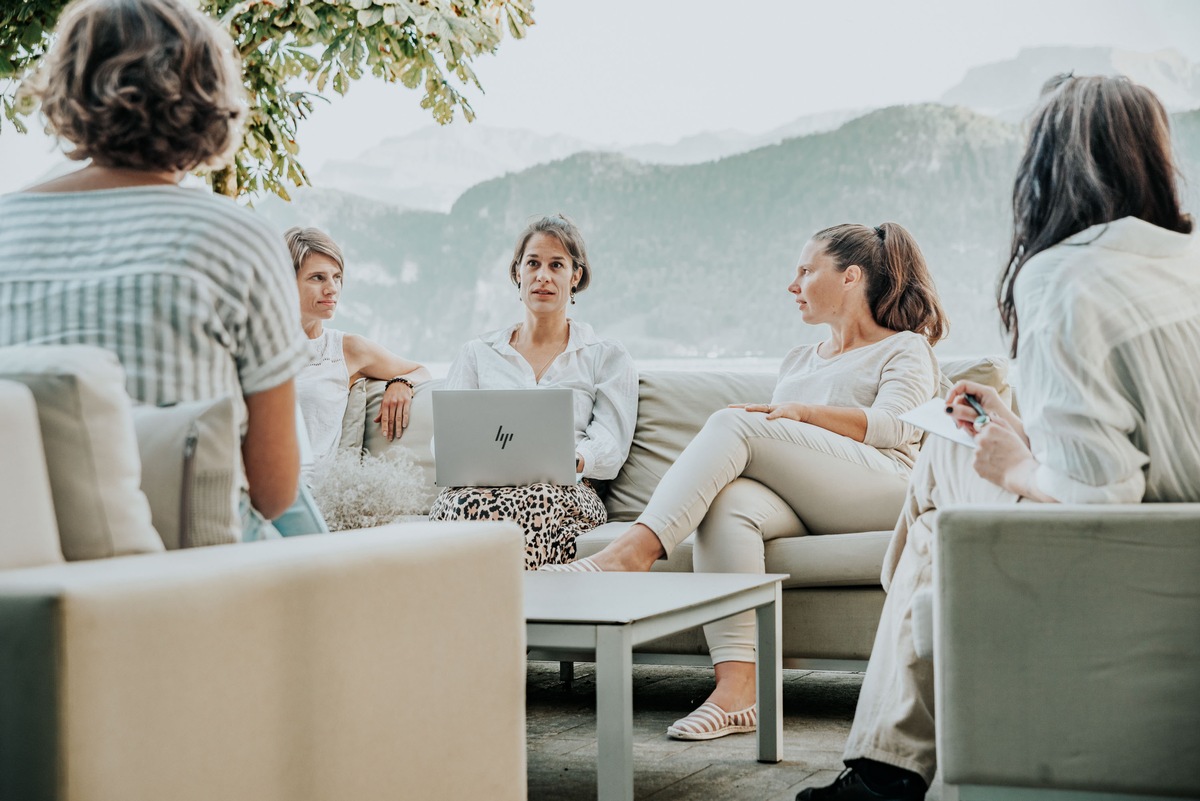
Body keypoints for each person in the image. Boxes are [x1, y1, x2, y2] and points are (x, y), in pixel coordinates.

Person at [796, 75, 1200, 801]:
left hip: (1128, 552)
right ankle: (886, 761)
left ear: (1047, 167)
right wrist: (1023, 431)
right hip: (1178, 531)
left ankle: (886, 759)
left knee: (938, 490)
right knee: (951, 458)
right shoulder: (1185, 259)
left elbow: (1101, 493)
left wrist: (1015, 464)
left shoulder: (1065, 275)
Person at [548, 222, 948, 742]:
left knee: (734, 421)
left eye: (805, 271)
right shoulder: (799, 359)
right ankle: (738, 690)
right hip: (811, 501)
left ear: (850, 278)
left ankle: (632, 553)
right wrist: (794, 418)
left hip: (883, 488)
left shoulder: (904, 349)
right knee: (728, 502)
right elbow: (788, 460)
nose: (793, 284)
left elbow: (899, 427)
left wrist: (801, 413)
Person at [0, 0, 307, 538]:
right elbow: (272, 488)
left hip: (27, 557)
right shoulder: (238, 238)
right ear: (208, 96)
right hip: (186, 570)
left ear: (67, 89)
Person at [428, 214, 638, 569]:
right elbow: (445, 442)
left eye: (557, 265)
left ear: (576, 276)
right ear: (517, 274)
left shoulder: (605, 354)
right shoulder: (477, 354)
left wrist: (568, 459)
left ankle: (503, 614)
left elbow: (610, 446)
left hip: (567, 492)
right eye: (533, 263)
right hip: (482, 490)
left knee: (534, 499)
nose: (543, 275)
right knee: (463, 504)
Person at [285, 226, 430, 487]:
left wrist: (401, 383)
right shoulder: (258, 347)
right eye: (317, 278)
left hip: (315, 497)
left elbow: (419, 370)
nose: (332, 289)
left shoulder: (347, 348)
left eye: (337, 277)